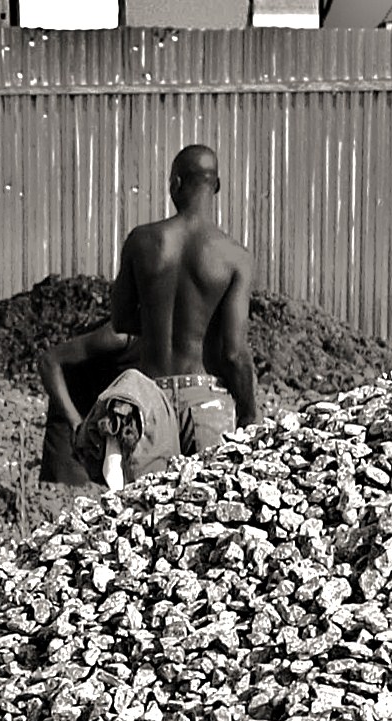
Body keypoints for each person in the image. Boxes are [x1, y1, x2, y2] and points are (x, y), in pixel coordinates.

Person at [84, 145, 259, 483]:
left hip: (150, 399)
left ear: (175, 183)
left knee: (146, 518)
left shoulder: (142, 241)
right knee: (210, 517)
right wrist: (250, 412)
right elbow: (234, 351)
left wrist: (158, 325)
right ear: (217, 187)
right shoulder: (235, 256)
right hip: (207, 401)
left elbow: (120, 320)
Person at [36, 321, 137, 487]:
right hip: (73, 421)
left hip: (102, 428)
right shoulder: (119, 335)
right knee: (72, 498)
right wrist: (76, 423)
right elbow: (48, 362)